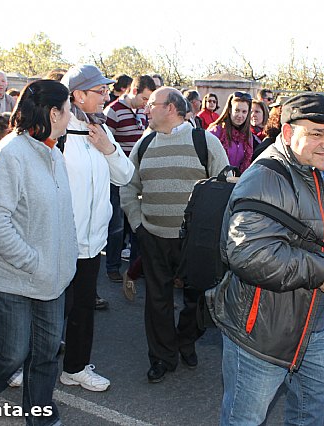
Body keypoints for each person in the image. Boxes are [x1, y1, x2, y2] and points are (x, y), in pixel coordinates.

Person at [207, 93, 324, 425]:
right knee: (244, 418)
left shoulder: (309, 169)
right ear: (288, 133)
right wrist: (321, 272)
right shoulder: (266, 177)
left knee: (314, 401)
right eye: (317, 133)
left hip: (310, 326)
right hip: (264, 332)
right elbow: (247, 252)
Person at [0, 79, 77, 426]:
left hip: (50, 278)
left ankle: (39, 416)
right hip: (11, 278)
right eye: (67, 110)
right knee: (10, 353)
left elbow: (61, 214)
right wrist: (32, 261)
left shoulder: (53, 151)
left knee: (45, 354)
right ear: (54, 113)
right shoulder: (9, 154)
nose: (70, 116)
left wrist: (64, 258)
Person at [120, 87, 228, 383]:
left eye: (151, 105)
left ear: (170, 108)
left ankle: (186, 339)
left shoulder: (205, 141)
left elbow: (224, 187)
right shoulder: (143, 145)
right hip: (153, 236)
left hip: (196, 242)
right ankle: (162, 358)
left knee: (201, 300)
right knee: (157, 301)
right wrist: (138, 224)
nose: (146, 110)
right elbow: (129, 188)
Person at [59, 65, 134, 392]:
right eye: (99, 91)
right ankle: (20, 363)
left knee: (83, 309)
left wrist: (108, 148)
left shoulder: (103, 130)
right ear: (78, 95)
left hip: (92, 243)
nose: (106, 95)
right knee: (45, 310)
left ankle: (74, 367)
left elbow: (125, 176)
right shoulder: (56, 131)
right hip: (58, 241)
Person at [103, 75, 156, 285]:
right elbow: (105, 142)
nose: (146, 104)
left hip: (136, 176)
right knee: (116, 224)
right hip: (117, 177)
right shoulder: (113, 111)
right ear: (134, 91)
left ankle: (135, 266)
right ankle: (112, 266)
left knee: (136, 223)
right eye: (144, 99)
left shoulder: (142, 112)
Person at [208, 92, 259, 174]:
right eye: (237, 110)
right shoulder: (217, 131)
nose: (240, 115)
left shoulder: (248, 136)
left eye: (244, 112)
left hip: (239, 182)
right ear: (230, 110)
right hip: (218, 181)